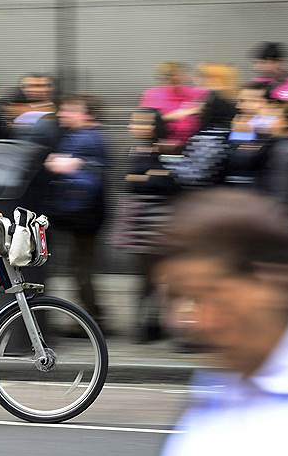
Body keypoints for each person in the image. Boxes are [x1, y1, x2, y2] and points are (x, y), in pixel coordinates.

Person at [158, 189, 288, 455]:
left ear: (275, 282)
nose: (197, 323)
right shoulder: (213, 392)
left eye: (215, 297)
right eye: (183, 300)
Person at [45, 94, 108, 324]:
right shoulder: (78, 136)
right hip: (82, 215)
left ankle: (93, 318)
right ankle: (90, 316)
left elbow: (89, 178)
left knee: (81, 268)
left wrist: (64, 165)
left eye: (70, 110)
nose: (63, 114)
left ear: (86, 114)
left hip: (84, 215)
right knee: (79, 267)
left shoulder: (88, 138)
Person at [118, 108, 178, 342]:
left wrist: (145, 178)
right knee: (146, 277)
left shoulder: (166, 150)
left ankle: (153, 324)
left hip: (160, 223)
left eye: (143, 122)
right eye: (136, 122)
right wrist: (150, 177)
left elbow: (168, 183)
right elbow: (129, 183)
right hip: (142, 225)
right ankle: (147, 325)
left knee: (159, 277)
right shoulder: (137, 151)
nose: (137, 126)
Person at [140, 62, 208, 150]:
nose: (176, 78)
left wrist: (198, 110)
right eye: (170, 76)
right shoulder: (152, 95)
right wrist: (168, 117)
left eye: (179, 75)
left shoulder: (198, 93)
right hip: (162, 147)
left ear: (185, 76)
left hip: (193, 147)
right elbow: (144, 124)